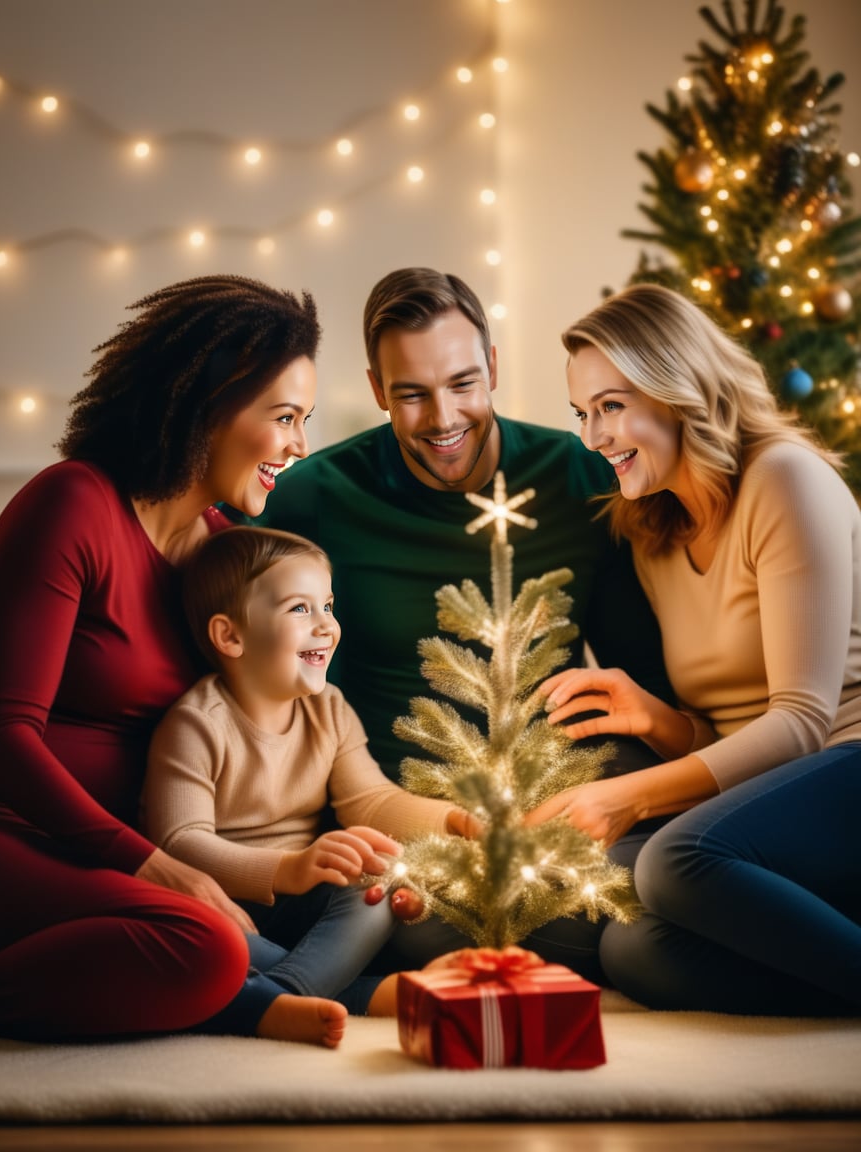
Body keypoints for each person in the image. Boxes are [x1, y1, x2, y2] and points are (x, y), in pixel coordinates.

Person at [254, 266, 674, 978]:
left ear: (494, 368)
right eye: (412, 394)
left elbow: (643, 671)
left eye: (462, 384)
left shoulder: (583, 476)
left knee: (664, 875)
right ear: (378, 390)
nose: (444, 418)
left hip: (555, 796)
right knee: (427, 931)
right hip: (404, 816)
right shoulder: (312, 499)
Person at [0, 273, 364, 1047]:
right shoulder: (74, 503)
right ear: (211, 407)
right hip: (21, 838)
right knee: (204, 944)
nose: (301, 443)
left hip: (127, 856)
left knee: (326, 907)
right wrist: (152, 866)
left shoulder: (224, 556)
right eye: (286, 417)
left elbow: (288, 699)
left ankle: (263, 988)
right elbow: (6, 736)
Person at [530, 281, 861, 1016]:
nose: (592, 437)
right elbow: (742, 741)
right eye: (582, 414)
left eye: (611, 406)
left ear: (678, 388)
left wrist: (625, 797)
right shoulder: (654, 532)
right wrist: (661, 722)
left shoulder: (784, 479)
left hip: (848, 768)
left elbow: (804, 723)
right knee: (627, 943)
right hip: (774, 802)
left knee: (673, 864)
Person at [143, 525, 477, 1018]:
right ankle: (298, 1000)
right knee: (212, 945)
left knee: (377, 883)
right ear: (230, 635)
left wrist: (454, 821)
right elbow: (181, 843)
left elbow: (371, 801)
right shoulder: (197, 723)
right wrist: (288, 869)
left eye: (328, 606)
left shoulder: (330, 710)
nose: (325, 625)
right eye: (300, 609)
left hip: (305, 906)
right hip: (225, 904)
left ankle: (275, 997)